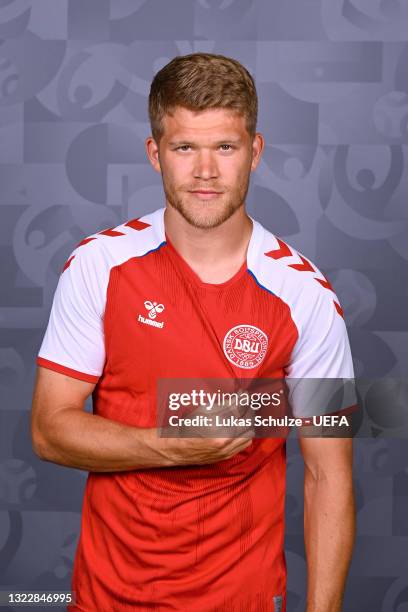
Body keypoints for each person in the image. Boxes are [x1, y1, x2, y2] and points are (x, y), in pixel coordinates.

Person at [31, 53, 357, 612]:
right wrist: (164, 446)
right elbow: (48, 430)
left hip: (245, 598)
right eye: (185, 148)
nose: (205, 171)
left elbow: (329, 479)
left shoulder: (307, 297)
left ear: (254, 153)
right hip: (108, 597)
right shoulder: (97, 266)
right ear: (155, 154)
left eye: (225, 147)